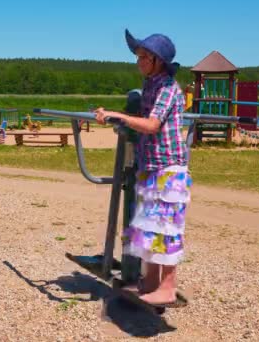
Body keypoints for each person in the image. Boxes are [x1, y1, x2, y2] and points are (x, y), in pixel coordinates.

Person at [95, 30, 191, 306]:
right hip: (150, 166)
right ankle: (150, 281)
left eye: (143, 57)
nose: (138, 61)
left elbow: (152, 125)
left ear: (157, 60)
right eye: (138, 56)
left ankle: (168, 287)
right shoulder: (150, 84)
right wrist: (116, 116)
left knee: (166, 228)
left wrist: (118, 116)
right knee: (150, 228)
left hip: (168, 168)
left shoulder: (167, 88)